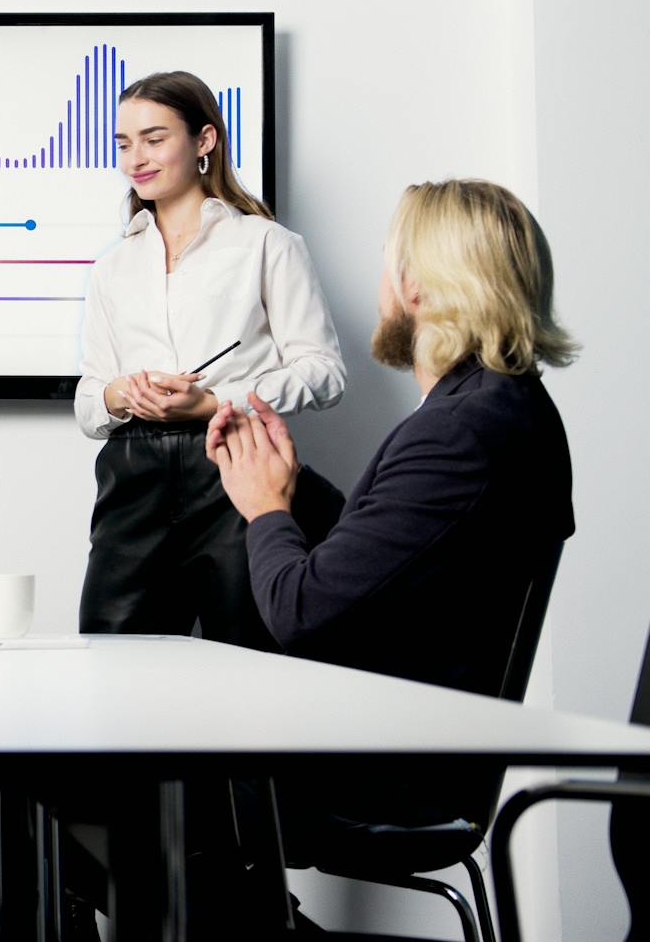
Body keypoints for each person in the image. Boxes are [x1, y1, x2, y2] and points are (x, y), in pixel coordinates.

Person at [206, 177, 575, 849]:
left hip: (387, 771)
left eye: (386, 259)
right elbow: (394, 558)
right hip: (421, 748)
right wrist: (291, 487)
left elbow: (302, 612)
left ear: (418, 286)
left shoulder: (459, 433)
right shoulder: (505, 410)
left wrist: (264, 511)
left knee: (133, 770)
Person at [74, 70, 345, 649]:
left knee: (252, 658)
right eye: (124, 144)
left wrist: (216, 402)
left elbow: (324, 373)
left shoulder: (266, 244)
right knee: (109, 662)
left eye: (153, 138)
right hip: (132, 477)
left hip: (235, 467)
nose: (135, 159)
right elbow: (89, 401)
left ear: (204, 141)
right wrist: (123, 393)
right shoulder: (112, 267)